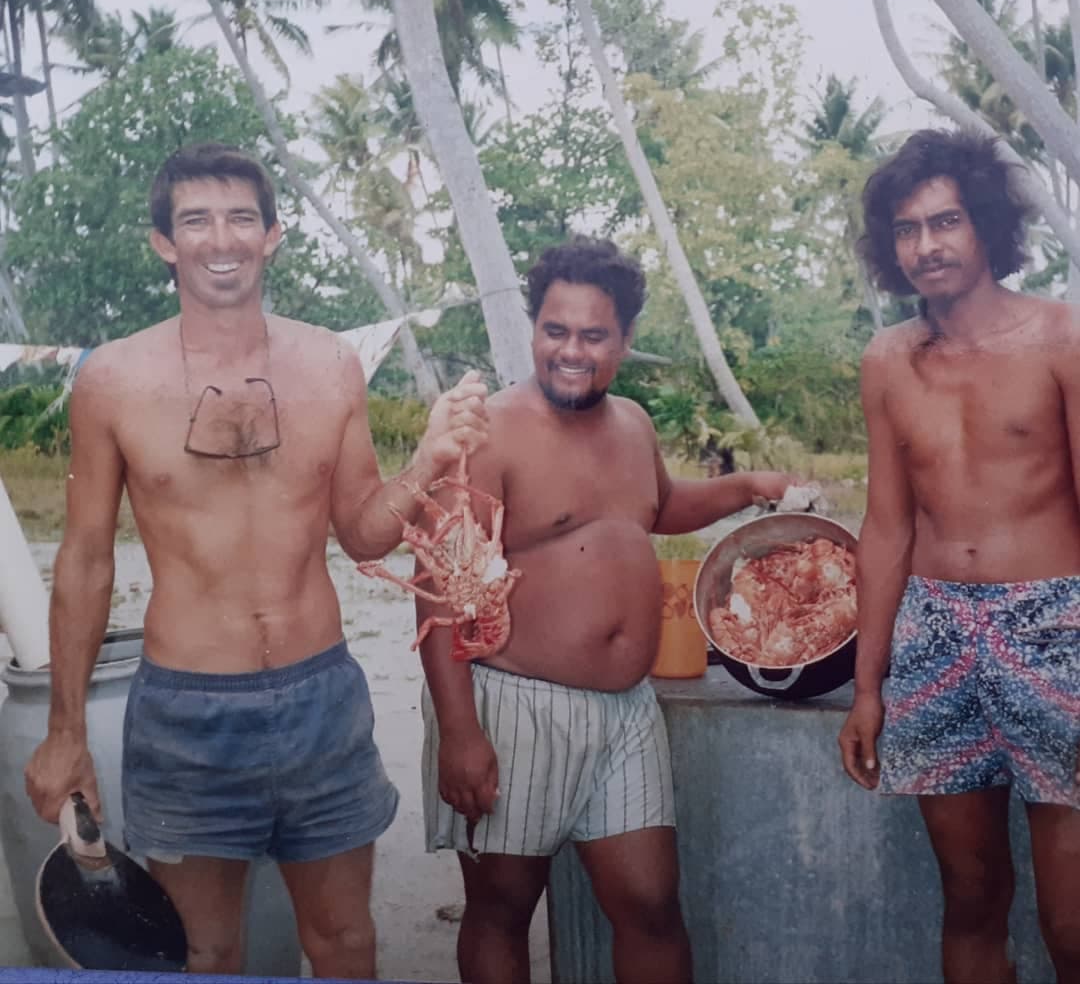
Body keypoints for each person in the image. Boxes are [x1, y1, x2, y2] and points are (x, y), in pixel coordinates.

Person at [24, 142, 487, 978]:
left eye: (241, 217)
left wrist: (428, 461)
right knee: (204, 952)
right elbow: (86, 560)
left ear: (273, 234)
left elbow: (364, 533)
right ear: (164, 242)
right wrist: (65, 733)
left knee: (345, 940)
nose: (220, 238)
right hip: (186, 710)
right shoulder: (114, 380)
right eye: (195, 220)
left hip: (322, 698)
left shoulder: (331, 365)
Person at [417, 237, 795, 984]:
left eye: (593, 334)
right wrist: (460, 731)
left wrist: (749, 484)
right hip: (512, 704)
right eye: (555, 330)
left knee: (653, 905)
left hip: (626, 714)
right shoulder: (487, 434)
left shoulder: (632, 422)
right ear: (534, 329)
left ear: (624, 338)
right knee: (501, 907)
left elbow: (659, 507)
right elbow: (440, 590)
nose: (571, 350)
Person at [837, 128, 1080, 984]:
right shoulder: (888, 362)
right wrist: (868, 688)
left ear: (985, 226)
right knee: (971, 897)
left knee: (1073, 919)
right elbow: (887, 529)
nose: (927, 245)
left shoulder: (1061, 339)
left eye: (945, 222)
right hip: (935, 634)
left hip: (1057, 628)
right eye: (906, 229)